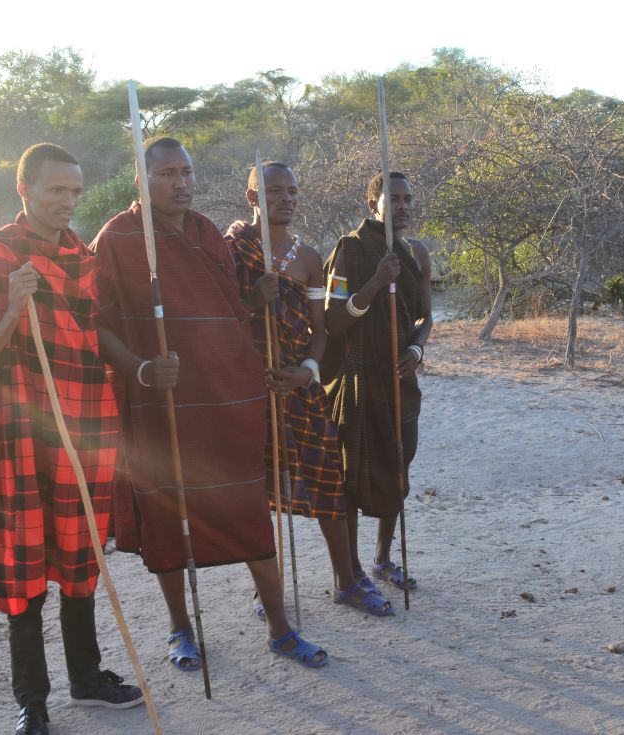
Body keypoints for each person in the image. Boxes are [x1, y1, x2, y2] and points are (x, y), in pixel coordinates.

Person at [90, 137, 328, 672]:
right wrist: (143, 368)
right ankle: (181, 628)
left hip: (226, 398)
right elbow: (99, 323)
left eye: (187, 172)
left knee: (248, 513)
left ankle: (280, 627)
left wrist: (253, 301)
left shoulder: (205, 235)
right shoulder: (120, 237)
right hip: (160, 402)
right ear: (142, 180)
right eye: (168, 174)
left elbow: (225, 316)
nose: (182, 183)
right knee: (168, 516)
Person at [0, 143, 143, 735]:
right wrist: (13, 309)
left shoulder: (82, 257)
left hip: (79, 425)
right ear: (24, 190)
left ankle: (88, 679)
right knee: (23, 566)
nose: (67, 203)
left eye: (75, 192)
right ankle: (33, 701)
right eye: (56, 191)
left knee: (81, 555)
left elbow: (94, 334)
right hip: (14, 436)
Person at [226, 161, 393, 617]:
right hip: (248, 390)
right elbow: (217, 325)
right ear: (252, 198)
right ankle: (268, 588)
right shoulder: (229, 251)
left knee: (327, 480)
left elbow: (321, 330)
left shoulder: (310, 259)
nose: (286, 198)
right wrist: (250, 301)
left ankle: (346, 581)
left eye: (292, 191)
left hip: (301, 386)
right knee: (257, 491)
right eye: (274, 190)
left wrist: (309, 369)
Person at [322, 171, 433, 594]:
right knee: (352, 475)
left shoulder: (417, 254)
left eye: (408, 199)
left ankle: (384, 559)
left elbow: (424, 318)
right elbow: (332, 323)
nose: (403, 206)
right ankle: (350, 572)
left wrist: (417, 351)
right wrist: (373, 283)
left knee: (398, 468)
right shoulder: (348, 250)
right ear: (373, 205)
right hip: (356, 379)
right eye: (394, 199)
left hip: (399, 378)